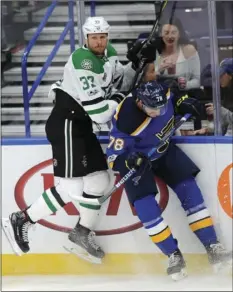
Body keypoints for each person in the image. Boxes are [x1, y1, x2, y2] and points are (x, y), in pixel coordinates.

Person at [2, 16, 156, 263]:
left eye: (103, 36)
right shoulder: (82, 61)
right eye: (94, 37)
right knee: (70, 188)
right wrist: (118, 95)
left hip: (82, 126)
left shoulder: (109, 52)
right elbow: (101, 111)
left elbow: (120, 80)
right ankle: (22, 218)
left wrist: (136, 63)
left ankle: (82, 233)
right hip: (67, 124)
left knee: (99, 181)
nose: (99, 41)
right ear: (86, 38)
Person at [106, 65, 232, 280]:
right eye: (153, 110)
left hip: (163, 151)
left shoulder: (162, 93)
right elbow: (113, 158)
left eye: (161, 108)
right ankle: (173, 255)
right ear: (139, 103)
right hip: (139, 161)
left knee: (190, 191)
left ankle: (213, 247)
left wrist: (186, 103)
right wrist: (128, 160)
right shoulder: (126, 119)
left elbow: (177, 99)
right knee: (145, 207)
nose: (159, 113)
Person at [154, 17, 201, 90]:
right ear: (161, 34)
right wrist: (159, 71)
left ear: (179, 34)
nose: (170, 36)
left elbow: (198, 81)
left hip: (184, 96)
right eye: (166, 33)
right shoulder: (154, 52)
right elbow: (146, 80)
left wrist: (186, 85)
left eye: (173, 32)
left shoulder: (189, 50)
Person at [194, 58, 233, 136]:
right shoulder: (228, 91)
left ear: (231, 75)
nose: (219, 79)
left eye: (222, 75)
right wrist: (208, 129)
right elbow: (227, 120)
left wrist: (219, 110)